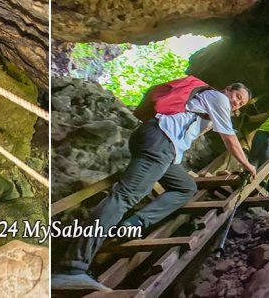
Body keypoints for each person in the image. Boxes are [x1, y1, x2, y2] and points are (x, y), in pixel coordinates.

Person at [52, 76, 256, 291]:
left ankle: (133, 224)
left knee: (185, 187)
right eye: (237, 96)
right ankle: (71, 268)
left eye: (241, 103)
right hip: (160, 140)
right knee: (124, 196)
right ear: (227, 89)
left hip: (158, 141)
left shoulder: (208, 106)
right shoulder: (218, 98)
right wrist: (247, 165)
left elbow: (186, 131)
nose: (236, 103)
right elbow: (229, 138)